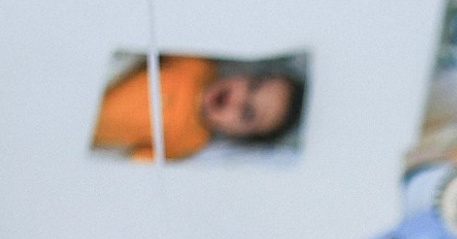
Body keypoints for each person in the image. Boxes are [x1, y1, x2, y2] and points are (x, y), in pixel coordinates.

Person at [90, 55, 306, 162]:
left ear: (238, 136)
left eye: (248, 113)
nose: (239, 99)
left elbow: (142, 160)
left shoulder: (192, 139)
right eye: (253, 85)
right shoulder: (198, 65)